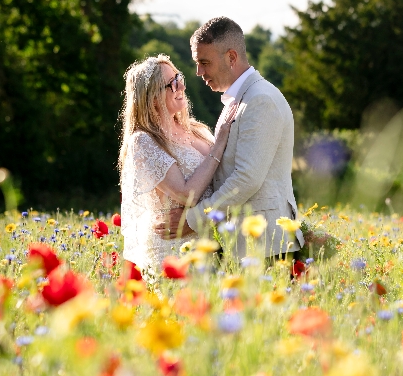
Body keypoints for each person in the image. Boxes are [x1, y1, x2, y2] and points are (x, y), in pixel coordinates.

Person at [155, 17, 304, 259]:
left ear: (231, 57)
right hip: (244, 244)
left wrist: (193, 220)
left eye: (205, 62)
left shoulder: (259, 100)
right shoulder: (238, 100)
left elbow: (247, 179)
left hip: (265, 246)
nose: (199, 72)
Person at [119, 54, 236, 275]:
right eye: (171, 83)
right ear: (152, 97)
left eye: (178, 77)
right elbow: (185, 194)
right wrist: (219, 144)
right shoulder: (143, 141)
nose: (181, 84)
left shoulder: (197, 129)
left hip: (212, 243)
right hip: (174, 251)